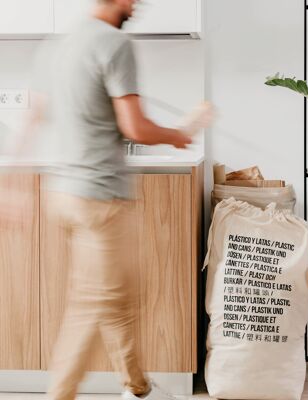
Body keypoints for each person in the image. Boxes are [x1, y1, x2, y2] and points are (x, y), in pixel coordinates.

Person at [31, 0, 210, 399]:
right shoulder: (113, 43)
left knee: (117, 297)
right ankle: (59, 394)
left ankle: (137, 387)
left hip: (63, 192)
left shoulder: (60, 43)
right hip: (99, 199)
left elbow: (38, 114)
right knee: (92, 305)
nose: (137, 5)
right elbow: (136, 127)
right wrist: (178, 135)